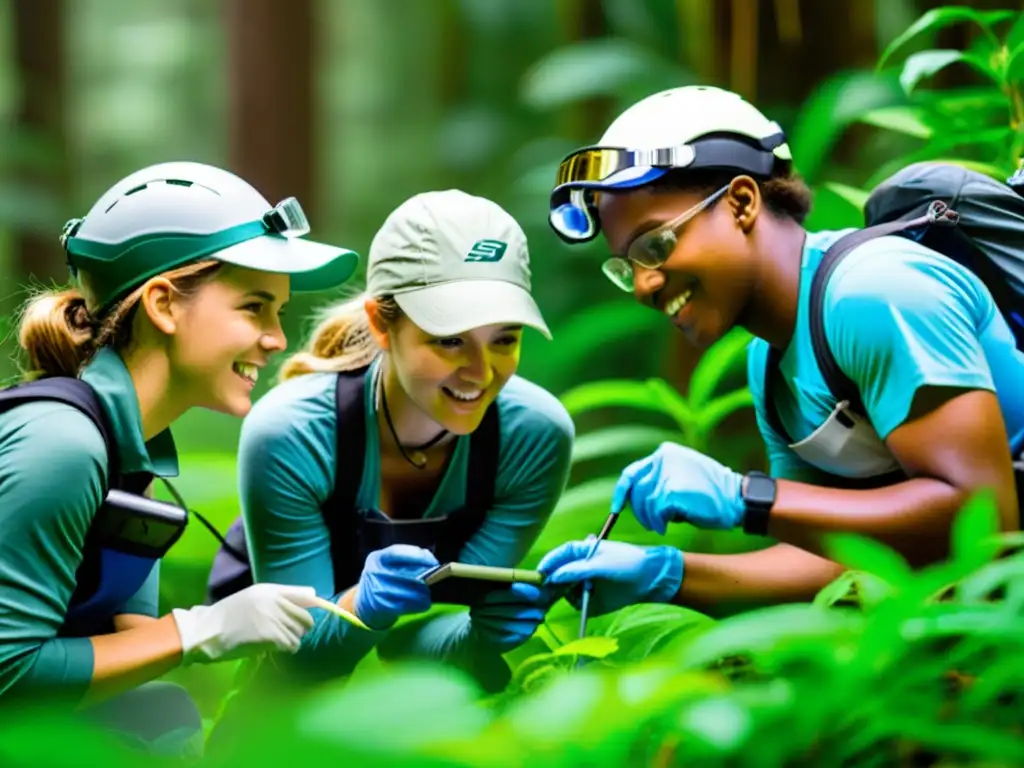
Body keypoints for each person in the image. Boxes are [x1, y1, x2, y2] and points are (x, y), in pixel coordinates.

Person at [536, 85, 1024, 619]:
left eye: (655, 243)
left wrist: (747, 498)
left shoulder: (873, 293)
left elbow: (987, 526)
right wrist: (667, 573)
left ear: (741, 203)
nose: (644, 286)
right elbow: (832, 554)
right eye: (625, 266)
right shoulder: (769, 366)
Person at [0, 161, 360, 757]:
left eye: (281, 313)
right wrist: (202, 630)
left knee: (155, 713)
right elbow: (9, 671)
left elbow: (123, 644)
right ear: (164, 305)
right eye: (253, 307)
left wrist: (251, 632)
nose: (276, 339)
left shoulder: (128, 457)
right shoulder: (62, 444)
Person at [215, 189, 574, 692]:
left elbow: (435, 635)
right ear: (383, 324)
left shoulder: (533, 437)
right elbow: (295, 660)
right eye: (450, 339)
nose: (481, 371)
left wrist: (477, 636)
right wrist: (362, 606)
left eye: (504, 339)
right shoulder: (291, 433)